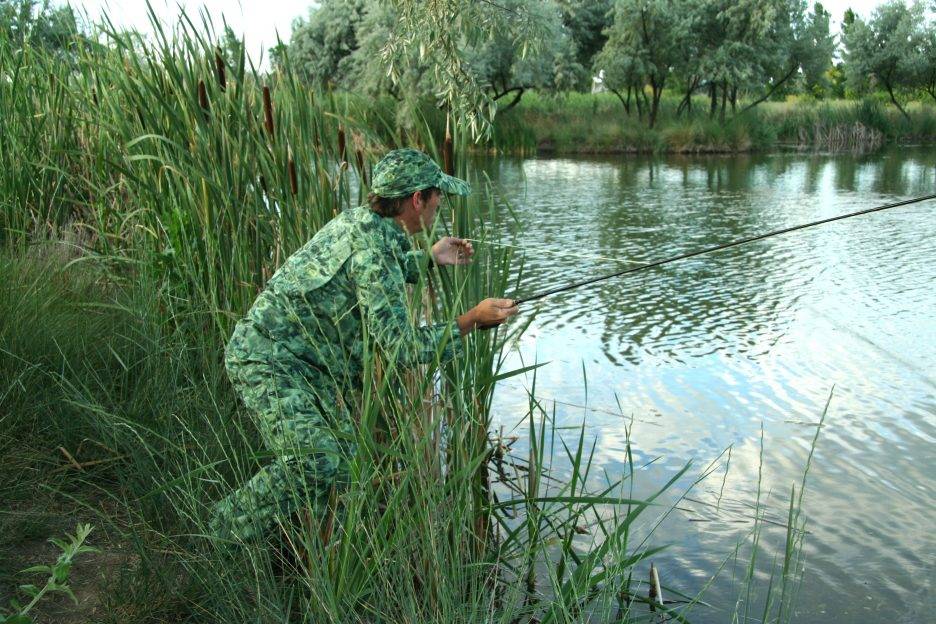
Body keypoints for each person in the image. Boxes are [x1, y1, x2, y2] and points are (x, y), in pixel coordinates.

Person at [209, 148, 518, 542]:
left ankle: (302, 556)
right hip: (269, 361)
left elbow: (373, 267)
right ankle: (219, 533)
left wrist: (428, 258)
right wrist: (471, 320)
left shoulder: (364, 223)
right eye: (437, 194)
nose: (442, 201)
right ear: (417, 199)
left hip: (301, 365)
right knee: (319, 460)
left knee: (342, 462)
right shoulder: (372, 250)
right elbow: (402, 347)